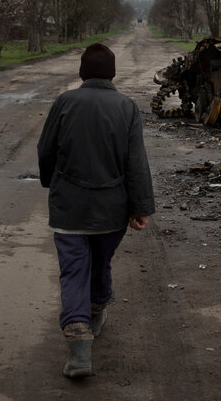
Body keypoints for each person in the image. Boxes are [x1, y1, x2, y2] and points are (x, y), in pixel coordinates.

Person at [37, 42, 155, 379]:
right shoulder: (127, 107)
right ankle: (97, 308)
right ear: (113, 74)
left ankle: (79, 352)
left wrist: (51, 182)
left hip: (70, 209)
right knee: (100, 262)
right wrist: (140, 207)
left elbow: (45, 150)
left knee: (75, 270)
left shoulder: (65, 103)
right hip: (111, 211)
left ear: (82, 73)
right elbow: (136, 163)